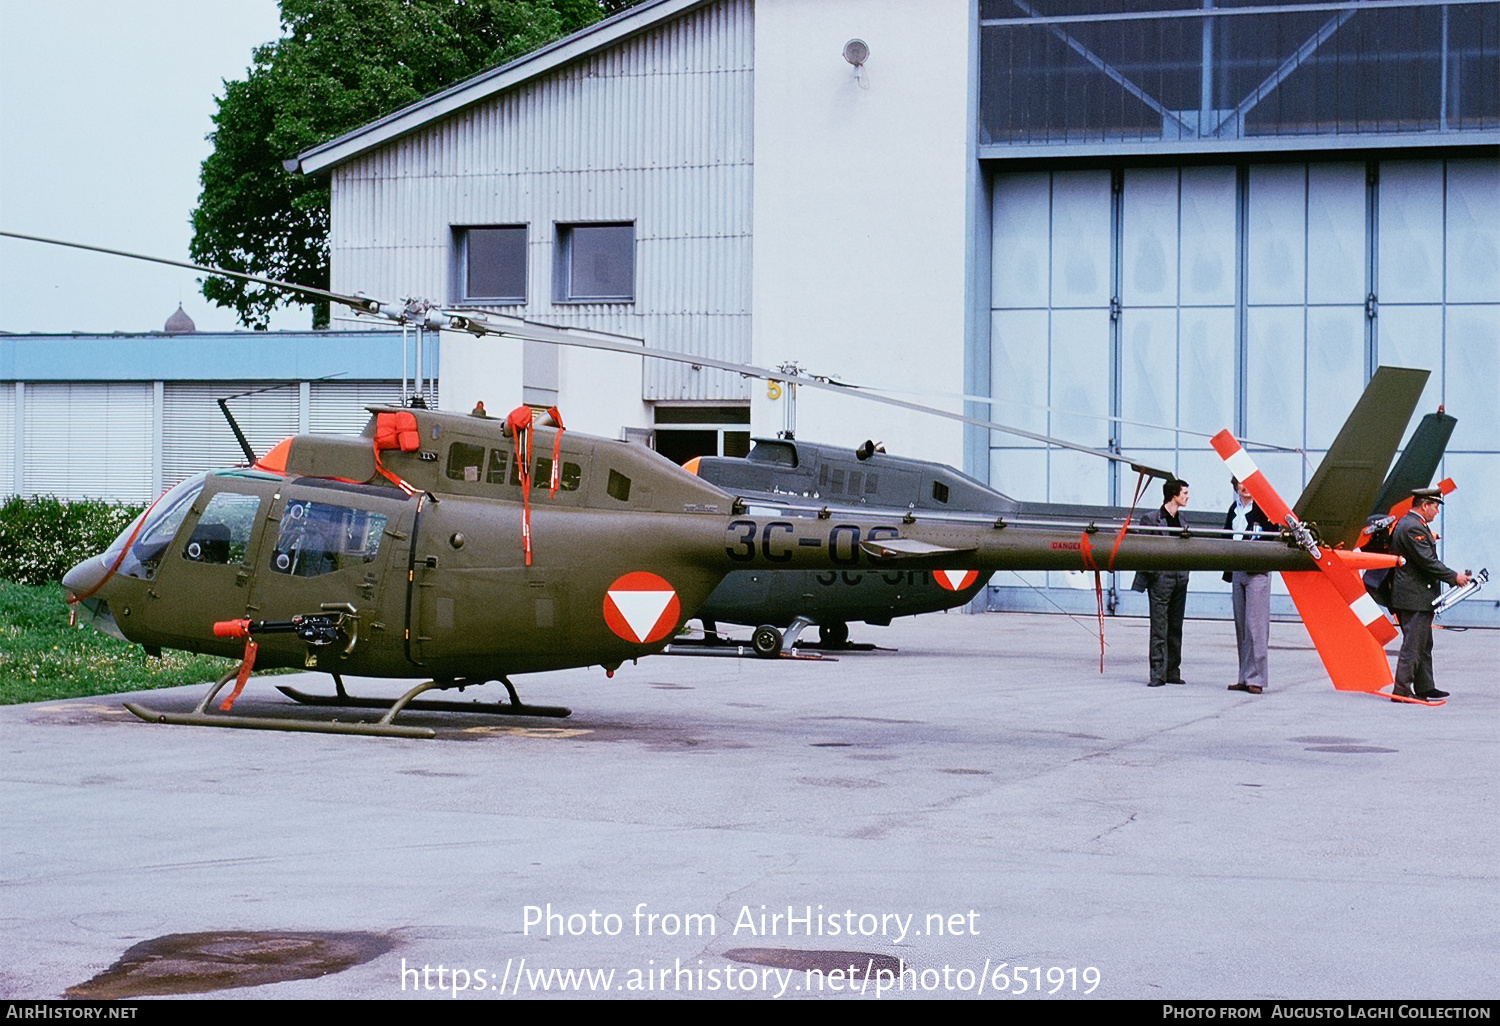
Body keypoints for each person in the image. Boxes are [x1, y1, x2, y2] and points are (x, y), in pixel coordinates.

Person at [1389, 488, 1470, 702]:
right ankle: (1401, 691)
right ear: (1425, 505)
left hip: (1419, 596)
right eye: (1435, 508)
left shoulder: (1414, 525)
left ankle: (1425, 687)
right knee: (1413, 645)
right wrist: (1454, 577)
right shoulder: (1412, 527)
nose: (1436, 513)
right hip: (1414, 596)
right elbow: (1427, 561)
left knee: (1424, 644)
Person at [1132, 478, 1190, 687]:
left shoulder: (1183, 521)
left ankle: (1172, 671)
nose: (1187, 497)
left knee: (1176, 626)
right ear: (1173, 494)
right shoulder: (1150, 519)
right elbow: (1143, 549)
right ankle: (1157, 673)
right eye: (1184, 493)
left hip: (1179, 578)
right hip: (1161, 579)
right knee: (1159, 627)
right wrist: (1153, 575)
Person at [1223, 478, 1276, 695]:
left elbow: (1273, 536)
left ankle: (1257, 678)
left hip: (1256, 571)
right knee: (1241, 626)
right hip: (1237, 569)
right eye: (1239, 484)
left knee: (1256, 626)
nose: (1244, 488)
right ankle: (1244, 676)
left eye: (1247, 483)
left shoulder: (1264, 510)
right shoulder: (1233, 510)